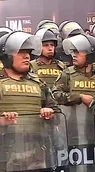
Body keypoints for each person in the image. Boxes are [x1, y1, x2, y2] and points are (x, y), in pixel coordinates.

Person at [0, 31, 60, 171]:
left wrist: (50, 114)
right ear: (7, 57)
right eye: (21, 52)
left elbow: (58, 116)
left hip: (36, 158)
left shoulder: (38, 83)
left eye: (28, 52)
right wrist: (1, 122)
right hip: (5, 158)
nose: (27, 56)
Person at [52, 34, 95, 107]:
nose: (74, 55)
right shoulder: (67, 73)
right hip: (72, 117)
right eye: (73, 52)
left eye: (78, 52)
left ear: (90, 55)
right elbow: (55, 95)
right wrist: (79, 97)